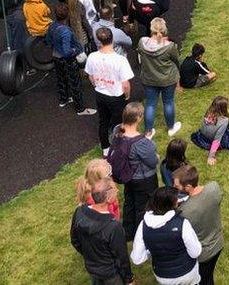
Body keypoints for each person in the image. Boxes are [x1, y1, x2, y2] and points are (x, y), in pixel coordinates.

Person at [131, 187, 202, 285]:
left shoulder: (143, 226)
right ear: (171, 205)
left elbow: (137, 258)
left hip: (163, 277)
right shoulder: (183, 224)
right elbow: (196, 252)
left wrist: (152, 250)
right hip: (188, 274)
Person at [70, 178, 134, 285]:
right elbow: (121, 258)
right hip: (112, 275)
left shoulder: (79, 211)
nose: (117, 191)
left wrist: (90, 257)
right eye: (114, 190)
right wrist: (129, 279)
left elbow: (75, 240)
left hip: (93, 270)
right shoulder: (113, 227)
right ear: (108, 198)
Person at [112, 102, 160, 238]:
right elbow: (152, 162)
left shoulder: (117, 132)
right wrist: (151, 145)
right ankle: (140, 235)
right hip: (144, 179)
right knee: (143, 207)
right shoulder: (142, 143)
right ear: (138, 117)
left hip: (127, 175)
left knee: (129, 202)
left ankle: (127, 232)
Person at [173, 165, 224, 285]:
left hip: (203, 254)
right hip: (218, 244)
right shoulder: (214, 188)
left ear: (188, 187)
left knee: (201, 280)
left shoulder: (184, 212)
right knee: (208, 277)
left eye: (177, 185)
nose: (174, 187)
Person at [85, 27, 133, 153]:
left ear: (99, 41)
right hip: (116, 96)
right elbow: (126, 84)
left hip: (100, 94)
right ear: (112, 39)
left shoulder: (92, 56)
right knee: (119, 124)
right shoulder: (120, 60)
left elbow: (90, 76)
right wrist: (127, 96)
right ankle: (119, 148)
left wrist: (97, 86)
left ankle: (105, 148)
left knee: (103, 121)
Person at [47, 3, 96, 115]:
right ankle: (80, 108)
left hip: (56, 56)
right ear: (67, 15)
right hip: (67, 59)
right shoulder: (66, 32)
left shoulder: (52, 26)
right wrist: (75, 50)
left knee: (61, 79)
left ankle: (64, 99)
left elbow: (48, 41)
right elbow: (67, 51)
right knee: (75, 83)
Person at [139, 17, 182, 138]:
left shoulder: (142, 42)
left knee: (150, 104)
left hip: (149, 79)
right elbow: (176, 59)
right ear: (165, 30)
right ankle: (171, 128)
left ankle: (148, 132)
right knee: (168, 102)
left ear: (151, 29)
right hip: (167, 79)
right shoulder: (170, 46)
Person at [192, 96, 229, 166]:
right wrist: (211, 156)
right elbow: (216, 140)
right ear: (223, 109)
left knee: (228, 123)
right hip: (212, 139)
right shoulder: (224, 121)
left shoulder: (208, 112)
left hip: (202, 136)